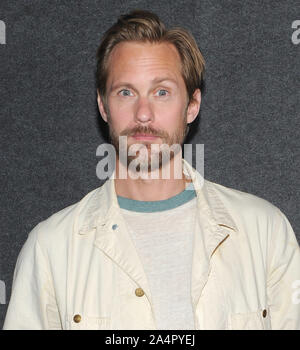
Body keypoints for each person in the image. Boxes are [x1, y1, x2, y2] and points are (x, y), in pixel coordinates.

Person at [3, 10, 300, 330]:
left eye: (162, 92)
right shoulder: (51, 248)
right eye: (126, 92)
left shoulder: (265, 232)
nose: (143, 114)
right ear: (103, 106)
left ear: (192, 106)